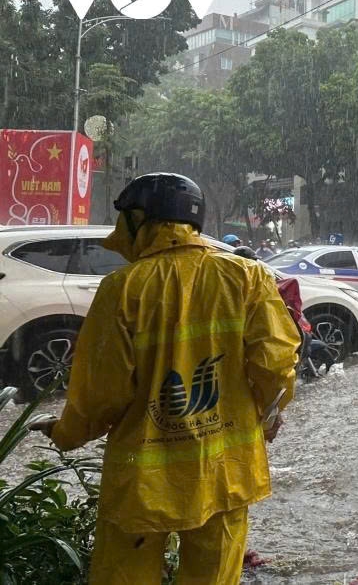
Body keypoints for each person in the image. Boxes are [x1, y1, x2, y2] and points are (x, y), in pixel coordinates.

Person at [28, 173, 300, 583]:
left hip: (142, 477)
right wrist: (269, 416)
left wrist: (68, 432)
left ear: (141, 219)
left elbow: (101, 392)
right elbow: (276, 367)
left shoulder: (122, 288)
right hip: (224, 472)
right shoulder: (248, 276)